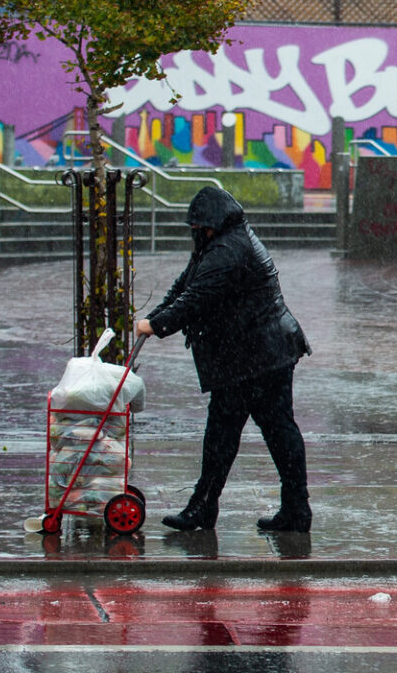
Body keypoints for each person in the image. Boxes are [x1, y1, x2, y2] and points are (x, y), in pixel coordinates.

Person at [136, 186, 313, 533]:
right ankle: (291, 510)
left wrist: (156, 325)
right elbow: (184, 286)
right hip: (257, 355)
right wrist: (154, 317)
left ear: (209, 224)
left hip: (256, 359)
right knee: (261, 432)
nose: (195, 234)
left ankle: (207, 508)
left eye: (197, 228)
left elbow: (197, 298)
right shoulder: (221, 243)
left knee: (237, 434)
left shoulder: (229, 250)